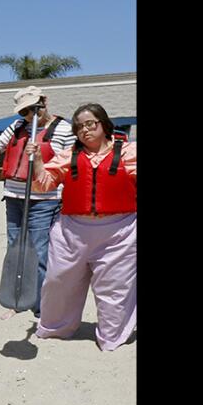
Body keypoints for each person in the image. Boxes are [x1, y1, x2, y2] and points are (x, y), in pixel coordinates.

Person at [31, 103, 136, 350]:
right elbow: (43, 185)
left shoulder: (129, 152)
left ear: (104, 123)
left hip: (119, 232)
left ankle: (112, 337)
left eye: (91, 124)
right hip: (72, 230)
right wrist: (36, 160)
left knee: (115, 289)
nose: (85, 130)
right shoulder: (69, 155)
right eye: (79, 127)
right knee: (57, 282)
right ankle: (55, 328)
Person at [0, 85, 75, 318]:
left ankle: (40, 307)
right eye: (24, 111)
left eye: (33, 109)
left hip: (45, 201)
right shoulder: (16, 128)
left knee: (39, 251)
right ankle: (17, 299)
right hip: (14, 197)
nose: (29, 116)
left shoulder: (64, 129)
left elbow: (71, 166)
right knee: (15, 248)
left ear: (44, 101)